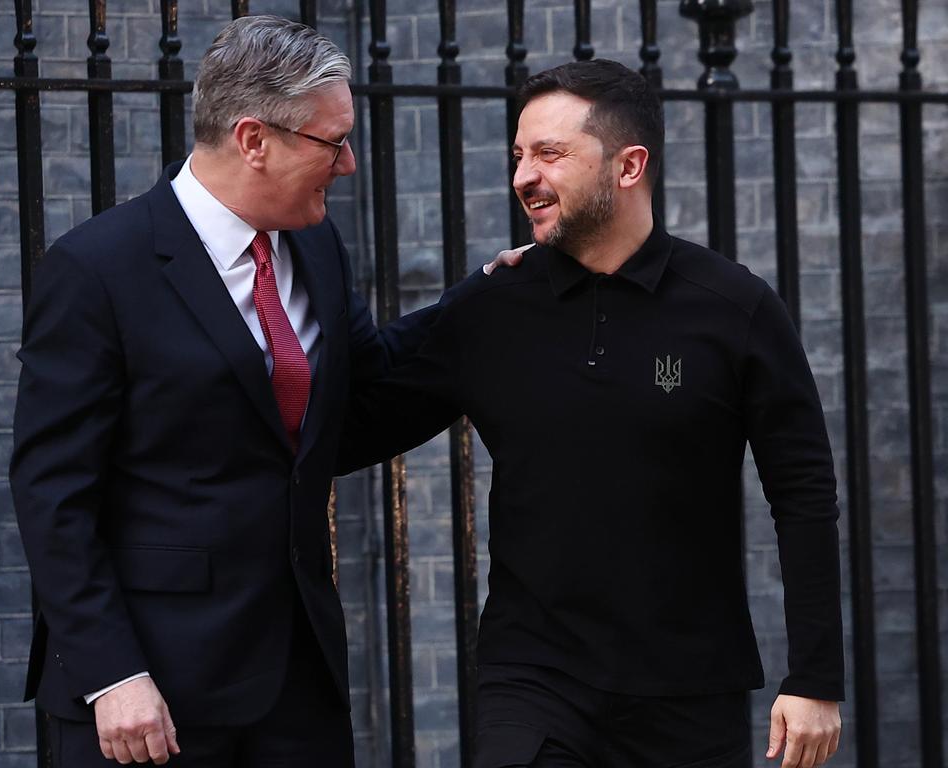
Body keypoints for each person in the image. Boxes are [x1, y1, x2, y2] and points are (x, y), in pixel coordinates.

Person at [10, 15, 510, 767]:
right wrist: (113, 673)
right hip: (150, 696)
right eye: (333, 142)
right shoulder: (97, 271)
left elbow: (360, 399)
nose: (347, 166)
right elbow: (53, 493)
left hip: (295, 683)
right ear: (254, 140)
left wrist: (485, 310)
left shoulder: (314, 245)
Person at [340, 59, 844, 768]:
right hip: (534, 681)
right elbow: (352, 431)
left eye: (550, 154)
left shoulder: (734, 308)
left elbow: (803, 492)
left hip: (690, 691)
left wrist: (815, 677)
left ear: (629, 165)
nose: (523, 176)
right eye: (518, 155)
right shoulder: (492, 309)